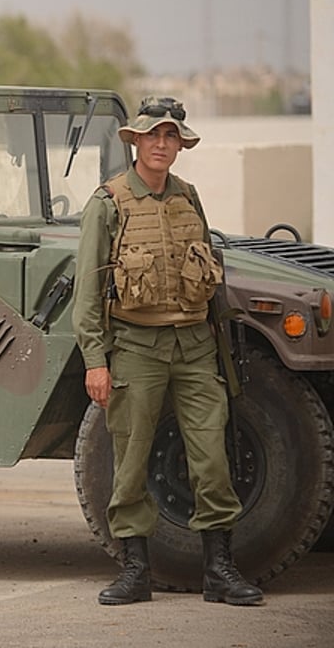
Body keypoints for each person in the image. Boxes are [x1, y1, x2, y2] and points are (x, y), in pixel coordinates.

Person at [72, 96, 263, 607]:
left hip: (196, 346)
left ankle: (219, 571)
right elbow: (87, 294)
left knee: (212, 459)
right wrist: (96, 359)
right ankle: (136, 570)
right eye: (154, 135)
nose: (162, 144)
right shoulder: (108, 203)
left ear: (180, 144)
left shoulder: (188, 197)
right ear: (135, 140)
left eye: (171, 136)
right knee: (131, 461)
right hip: (136, 347)